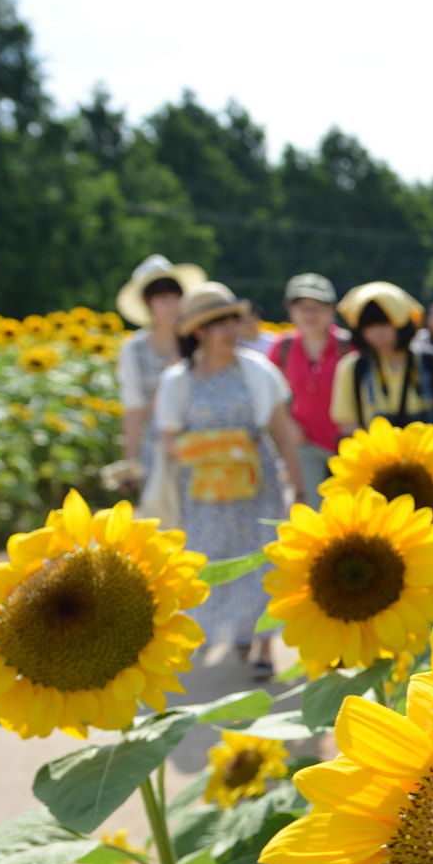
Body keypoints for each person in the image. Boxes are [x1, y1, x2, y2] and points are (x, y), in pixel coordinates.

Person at [154, 283, 305, 681]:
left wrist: (298, 484)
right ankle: (236, 632)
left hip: (259, 486)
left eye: (232, 320)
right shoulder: (178, 381)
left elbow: (282, 431)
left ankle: (264, 647)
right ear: (198, 331)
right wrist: (219, 448)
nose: (230, 329)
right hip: (206, 494)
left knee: (263, 561)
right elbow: (168, 442)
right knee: (215, 563)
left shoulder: (257, 370)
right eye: (218, 322)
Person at [113, 253, 205, 500]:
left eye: (177, 297)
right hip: (157, 448)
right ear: (148, 303)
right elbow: (134, 408)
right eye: (164, 299)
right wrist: (129, 460)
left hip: (204, 441)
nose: (173, 305)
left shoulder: (200, 339)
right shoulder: (134, 348)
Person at [330, 281, 433, 433]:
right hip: (378, 456)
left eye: (384, 324)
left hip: (429, 456)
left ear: (402, 323)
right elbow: (348, 425)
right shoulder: (352, 369)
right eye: (368, 326)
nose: (376, 333)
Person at [271, 273, 348, 507]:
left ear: (331, 310)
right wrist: (288, 424)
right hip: (305, 443)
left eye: (318, 307)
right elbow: (272, 395)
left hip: (347, 444)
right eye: (302, 307)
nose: (310, 314)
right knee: (313, 512)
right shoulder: (283, 347)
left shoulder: (348, 346)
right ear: (291, 310)